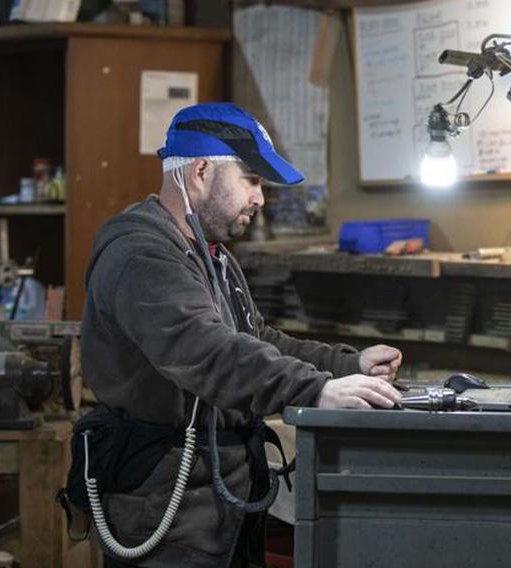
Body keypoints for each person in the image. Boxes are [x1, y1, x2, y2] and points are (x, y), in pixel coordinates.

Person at [78, 102, 403, 568]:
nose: (260, 199)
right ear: (201, 172)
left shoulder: (210, 254)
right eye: (251, 179)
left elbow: (253, 338)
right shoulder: (141, 257)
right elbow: (208, 352)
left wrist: (345, 366)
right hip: (164, 504)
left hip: (220, 498)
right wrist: (316, 390)